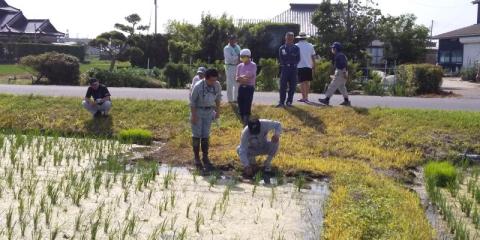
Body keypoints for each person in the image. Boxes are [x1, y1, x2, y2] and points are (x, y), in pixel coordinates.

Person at [190, 68, 222, 171]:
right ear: (206, 78)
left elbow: (218, 98)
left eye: (215, 80)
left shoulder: (217, 85)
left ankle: (205, 157)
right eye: (211, 80)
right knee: (196, 135)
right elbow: (192, 102)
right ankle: (196, 158)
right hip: (198, 111)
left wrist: (217, 111)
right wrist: (194, 116)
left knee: (205, 135)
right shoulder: (198, 86)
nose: (213, 82)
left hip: (209, 112)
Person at [319, 42, 351, 106]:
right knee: (342, 87)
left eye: (333, 48)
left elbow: (343, 64)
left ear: (335, 49)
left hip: (341, 72)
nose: (332, 49)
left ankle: (326, 100)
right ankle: (346, 101)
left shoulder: (339, 55)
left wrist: (344, 72)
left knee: (332, 86)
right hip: (342, 72)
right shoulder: (340, 55)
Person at [277, 32, 300, 108]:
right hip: (285, 68)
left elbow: (298, 59)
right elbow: (281, 58)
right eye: (288, 38)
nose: (290, 39)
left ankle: (289, 101)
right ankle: (281, 102)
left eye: (291, 38)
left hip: (293, 69)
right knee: (283, 86)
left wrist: (293, 63)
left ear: (293, 38)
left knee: (292, 86)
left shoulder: (296, 48)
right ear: (285, 38)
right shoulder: (282, 48)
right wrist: (285, 63)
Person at [236, 49, 257, 125]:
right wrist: (243, 78)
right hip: (241, 87)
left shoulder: (253, 65)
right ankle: (242, 118)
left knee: (247, 103)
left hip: (249, 87)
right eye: (241, 56)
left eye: (243, 56)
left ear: (248, 56)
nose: (242, 58)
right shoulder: (239, 66)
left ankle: (247, 119)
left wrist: (242, 78)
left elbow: (250, 77)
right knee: (240, 102)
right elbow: (237, 78)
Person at [295, 32, 316, 103]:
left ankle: (303, 98)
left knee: (302, 82)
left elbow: (295, 56)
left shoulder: (296, 46)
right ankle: (306, 97)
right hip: (308, 66)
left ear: (299, 38)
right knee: (307, 82)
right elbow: (313, 56)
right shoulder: (310, 45)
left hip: (300, 66)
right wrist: (314, 65)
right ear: (306, 38)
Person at [224, 34, 241, 103]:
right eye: (231, 39)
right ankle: (230, 100)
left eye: (234, 39)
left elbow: (241, 56)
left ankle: (236, 99)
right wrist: (238, 57)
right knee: (229, 83)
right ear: (229, 40)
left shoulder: (238, 47)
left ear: (235, 39)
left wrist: (239, 58)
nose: (232, 40)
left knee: (237, 83)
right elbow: (229, 59)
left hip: (237, 66)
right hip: (229, 66)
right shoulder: (226, 48)